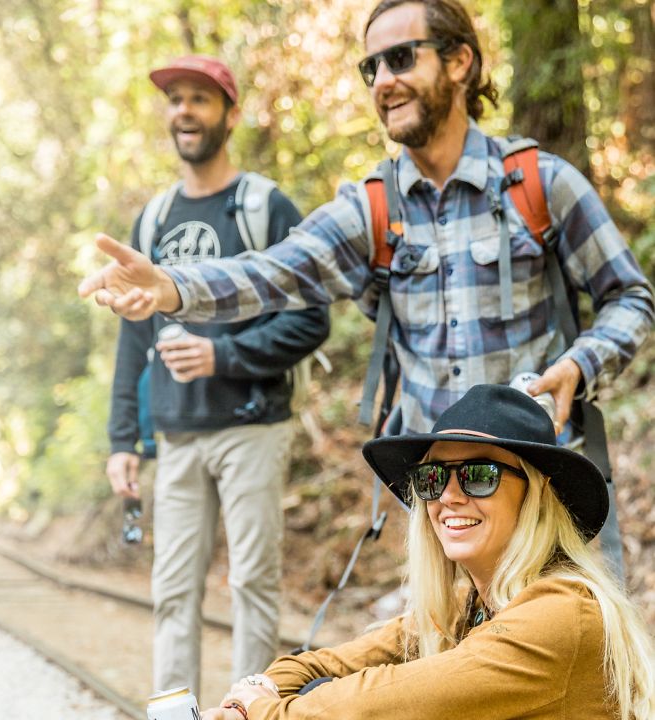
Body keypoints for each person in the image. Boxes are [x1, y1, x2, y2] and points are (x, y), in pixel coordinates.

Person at [78, 0, 653, 574]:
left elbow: (630, 297)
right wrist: (170, 285)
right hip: (440, 510)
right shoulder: (372, 208)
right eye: (371, 68)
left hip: (541, 495)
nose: (384, 81)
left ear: (459, 62)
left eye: (400, 58)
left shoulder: (540, 184)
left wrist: (581, 365)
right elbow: (274, 270)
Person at [196, 383, 655, 718]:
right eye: (432, 479)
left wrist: (264, 712)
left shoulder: (561, 615)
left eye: (479, 475)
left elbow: (380, 705)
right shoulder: (466, 607)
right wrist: (255, 694)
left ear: (536, 494)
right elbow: (324, 664)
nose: (449, 497)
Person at [104, 55, 330, 694]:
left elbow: (312, 320)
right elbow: (133, 335)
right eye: (176, 99)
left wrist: (221, 356)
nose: (184, 111)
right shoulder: (152, 220)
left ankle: (250, 711)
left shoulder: (263, 207)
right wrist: (125, 438)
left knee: (253, 585)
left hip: (251, 428)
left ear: (230, 115)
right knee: (171, 591)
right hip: (175, 436)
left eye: (200, 99)